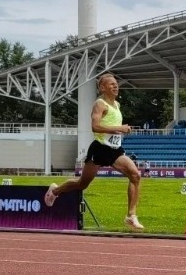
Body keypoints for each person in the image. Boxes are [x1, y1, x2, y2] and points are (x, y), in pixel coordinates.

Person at [45, 72, 145, 231]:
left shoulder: (117, 105)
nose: (115, 86)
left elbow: (111, 127)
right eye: (111, 84)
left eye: (116, 83)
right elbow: (95, 127)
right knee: (82, 184)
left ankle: (131, 215)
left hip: (115, 149)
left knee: (135, 175)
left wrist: (121, 131)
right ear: (102, 88)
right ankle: (55, 190)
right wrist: (119, 128)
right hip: (99, 148)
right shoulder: (100, 104)